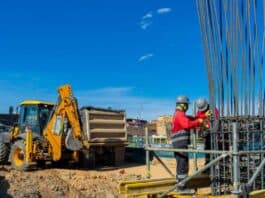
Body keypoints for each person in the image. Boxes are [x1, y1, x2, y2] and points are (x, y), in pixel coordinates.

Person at [171, 95, 203, 193]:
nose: (187, 107)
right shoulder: (179, 114)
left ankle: (179, 185)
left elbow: (192, 119)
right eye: (186, 105)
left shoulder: (179, 114)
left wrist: (201, 117)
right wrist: (199, 121)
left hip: (179, 144)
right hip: (180, 144)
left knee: (181, 164)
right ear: (183, 105)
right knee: (183, 165)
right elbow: (187, 124)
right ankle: (182, 188)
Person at [196, 98, 219, 169]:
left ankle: (217, 166)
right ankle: (208, 166)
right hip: (206, 134)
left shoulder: (213, 109)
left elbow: (217, 121)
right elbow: (198, 119)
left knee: (216, 149)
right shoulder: (199, 112)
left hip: (214, 133)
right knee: (207, 150)